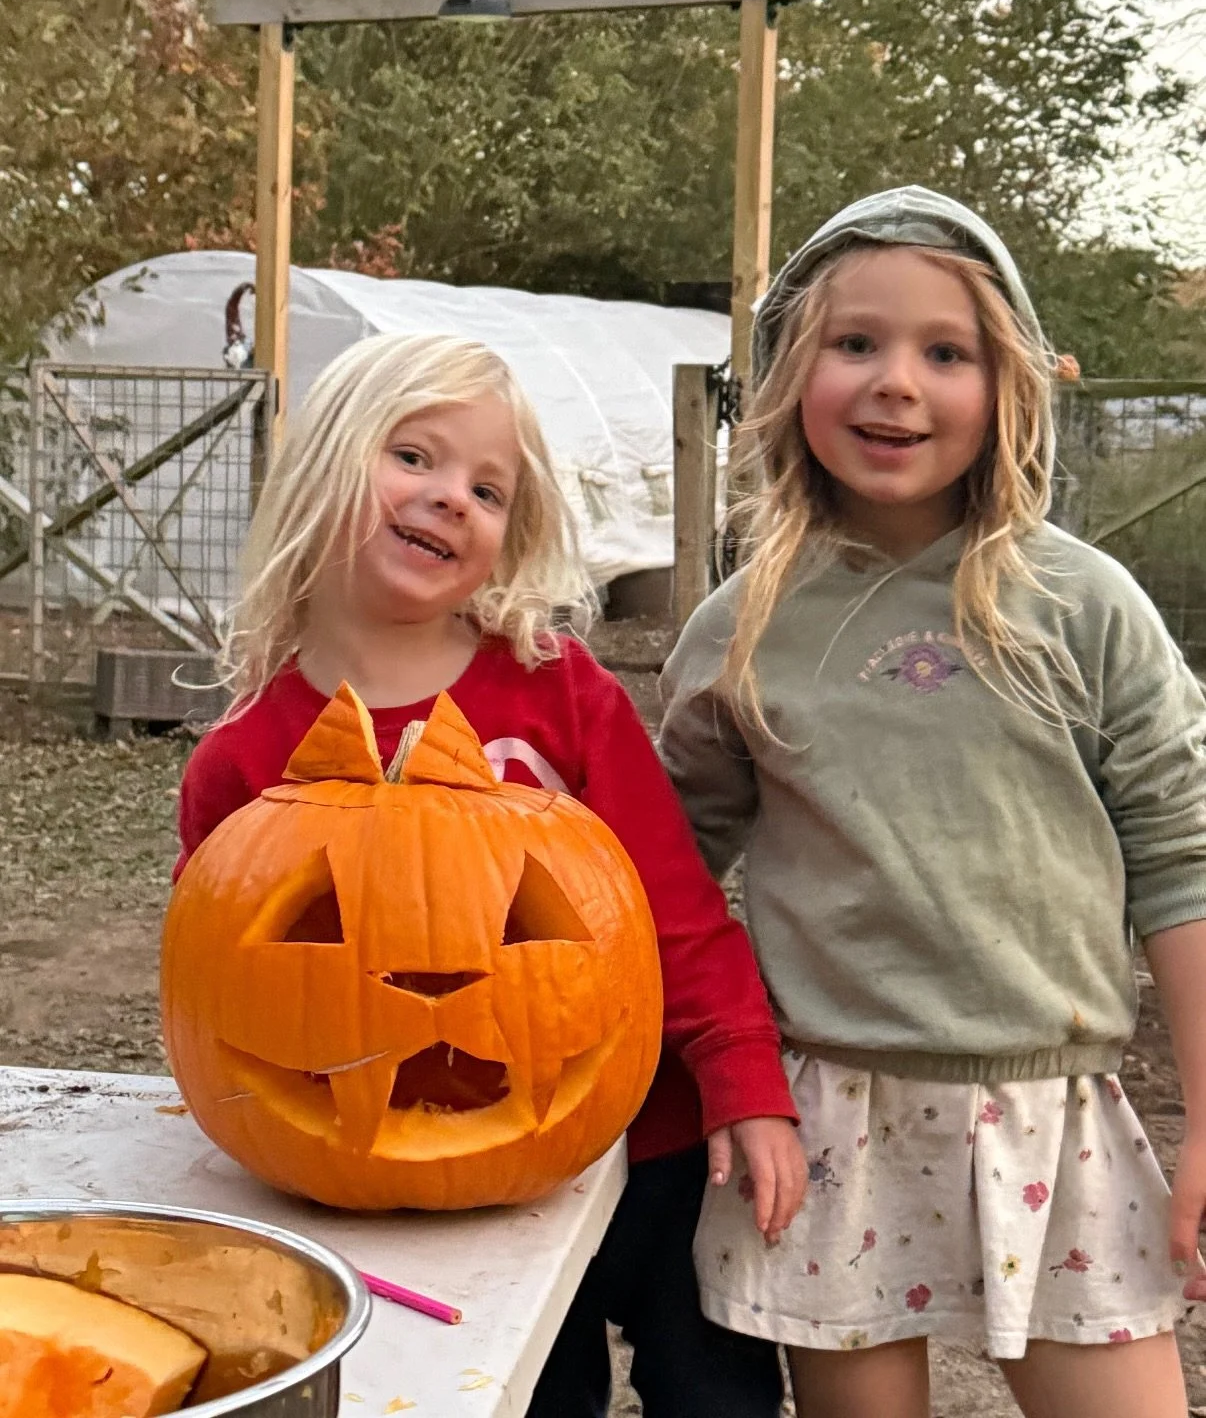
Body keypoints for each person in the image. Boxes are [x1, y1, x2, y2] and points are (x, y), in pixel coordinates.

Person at [173, 330, 806, 1418]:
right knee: (524, 1398)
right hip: (405, 1176)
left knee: (719, 1397)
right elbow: (216, 984)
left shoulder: (560, 696)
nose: (450, 497)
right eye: (413, 457)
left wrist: (742, 1075)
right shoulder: (246, 755)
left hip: (640, 1139)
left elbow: (674, 910)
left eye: (488, 487)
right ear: (326, 461)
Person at [657, 186, 1206, 1418]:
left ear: (1008, 382)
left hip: (1052, 1116)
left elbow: (1184, 858)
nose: (896, 383)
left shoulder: (1085, 607)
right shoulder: (738, 631)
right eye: (856, 344)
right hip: (829, 1126)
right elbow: (664, 877)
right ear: (791, 371)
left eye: (944, 352)